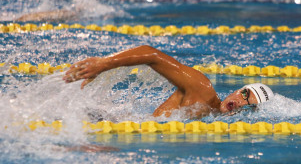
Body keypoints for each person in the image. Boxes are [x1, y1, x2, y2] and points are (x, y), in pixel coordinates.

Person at [63, 45, 274, 119]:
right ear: (238, 90)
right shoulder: (202, 90)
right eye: (245, 94)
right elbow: (151, 54)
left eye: (250, 105)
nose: (241, 102)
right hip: (106, 122)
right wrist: (105, 64)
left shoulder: (213, 120)